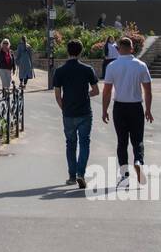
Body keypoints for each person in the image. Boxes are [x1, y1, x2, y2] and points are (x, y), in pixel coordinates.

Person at [101, 37, 154, 189]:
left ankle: (124, 175)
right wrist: (148, 109)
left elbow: (106, 91)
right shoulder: (140, 65)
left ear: (118, 49)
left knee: (122, 141)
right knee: (138, 140)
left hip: (119, 107)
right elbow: (148, 90)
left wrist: (104, 110)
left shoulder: (112, 66)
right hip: (136, 106)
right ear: (131, 48)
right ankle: (138, 162)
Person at [54, 39, 99, 188]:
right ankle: (81, 173)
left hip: (68, 112)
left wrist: (63, 108)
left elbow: (57, 93)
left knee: (70, 144)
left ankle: (72, 176)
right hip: (85, 112)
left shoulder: (60, 71)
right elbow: (96, 91)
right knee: (84, 142)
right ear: (80, 52)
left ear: (68, 51)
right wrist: (86, 95)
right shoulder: (87, 69)